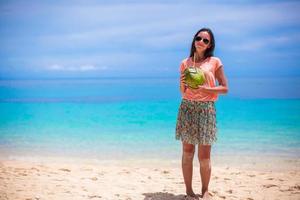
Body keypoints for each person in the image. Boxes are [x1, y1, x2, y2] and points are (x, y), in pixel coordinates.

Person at [175, 28, 229, 200]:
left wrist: (208, 89)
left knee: (204, 155)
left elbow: (225, 88)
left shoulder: (214, 61)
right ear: (194, 40)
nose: (201, 42)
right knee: (187, 151)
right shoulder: (185, 63)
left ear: (210, 45)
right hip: (187, 108)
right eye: (199, 38)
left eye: (206, 40)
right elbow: (183, 92)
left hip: (206, 109)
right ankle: (189, 191)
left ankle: (205, 190)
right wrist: (183, 83)